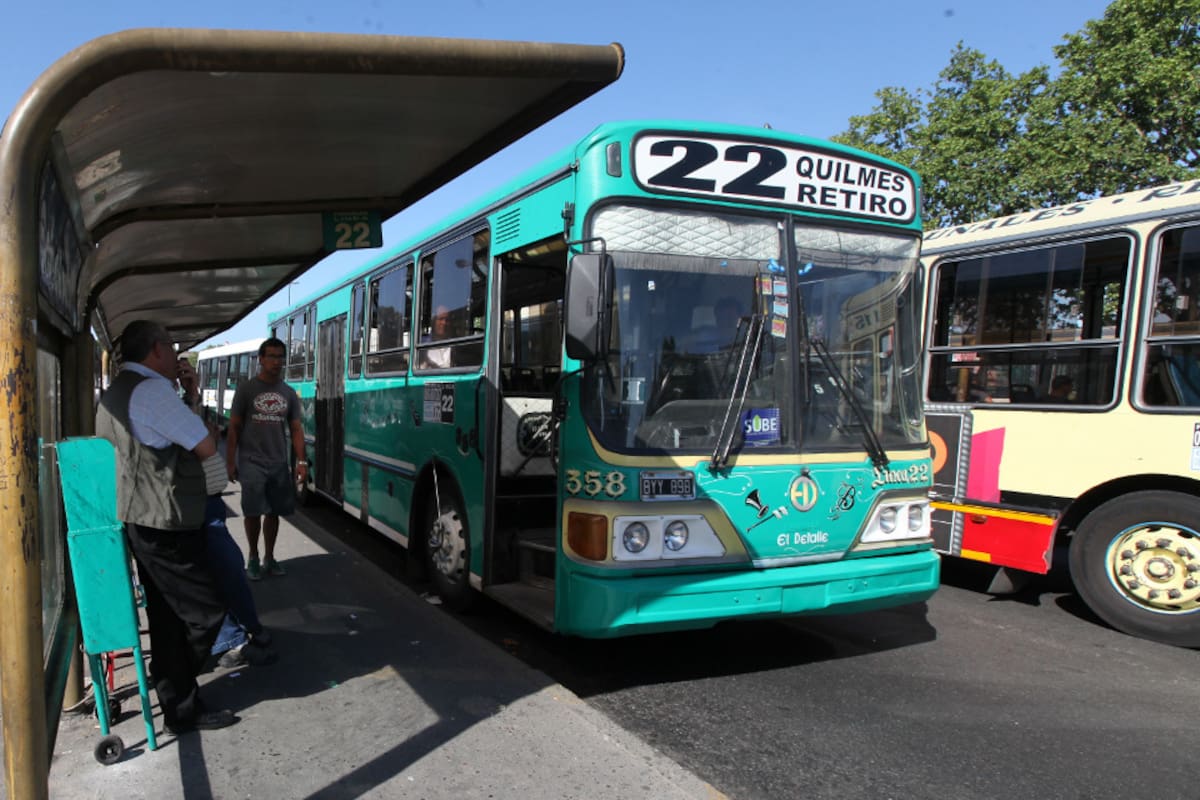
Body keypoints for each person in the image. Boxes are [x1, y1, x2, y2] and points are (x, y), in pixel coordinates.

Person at [95, 320, 238, 733]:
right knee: (206, 613)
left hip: (140, 517)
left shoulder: (118, 391)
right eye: (174, 351)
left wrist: (190, 395)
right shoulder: (154, 391)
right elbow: (206, 444)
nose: (179, 359)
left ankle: (181, 705)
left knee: (168, 614)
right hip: (167, 520)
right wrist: (198, 417)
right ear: (156, 350)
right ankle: (173, 685)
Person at [177, 356, 275, 667]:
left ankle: (242, 634)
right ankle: (238, 637)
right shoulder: (157, 400)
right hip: (196, 505)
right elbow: (200, 443)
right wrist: (208, 434)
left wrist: (192, 395)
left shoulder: (176, 399)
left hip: (206, 501)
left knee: (224, 569)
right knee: (227, 569)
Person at [226, 338, 306, 580]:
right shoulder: (247, 389)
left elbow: (296, 429)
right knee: (253, 513)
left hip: (278, 463)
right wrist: (231, 461)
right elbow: (234, 427)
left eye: (280, 357)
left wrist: (301, 462)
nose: (276, 361)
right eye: (271, 356)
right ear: (260, 359)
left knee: (273, 513)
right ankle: (252, 556)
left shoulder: (288, 393)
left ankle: (269, 557)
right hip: (252, 462)